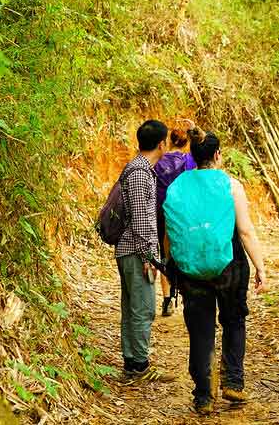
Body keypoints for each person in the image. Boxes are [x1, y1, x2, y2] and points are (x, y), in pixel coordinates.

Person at [164, 130, 267, 415]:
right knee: (234, 320)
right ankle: (233, 381)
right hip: (230, 266)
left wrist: (173, 265)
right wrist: (260, 266)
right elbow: (245, 230)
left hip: (192, 268)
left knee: (200, 329)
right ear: (218, 155)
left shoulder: (178, 185)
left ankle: (203, 396)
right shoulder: (230, 184)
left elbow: (171, 233)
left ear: (192, 157)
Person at [116, 119, 173, 381]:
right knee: (143, 308)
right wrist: (148, 257)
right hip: (136, 251)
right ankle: (139, 365)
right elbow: (141, 219)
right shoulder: (140, 172)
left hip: (131, 250)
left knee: (133, 308)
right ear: (161, 143)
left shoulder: (139, 168)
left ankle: (132, 362)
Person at [154, 119, 198, 316]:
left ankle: (166, 298)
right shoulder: (189, 161)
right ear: (187, 141)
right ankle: (186, 293)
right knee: (184, 251)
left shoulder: (157, 161)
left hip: (160, 212)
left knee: (164, 253)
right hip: (183, 214)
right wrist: (195, 129)